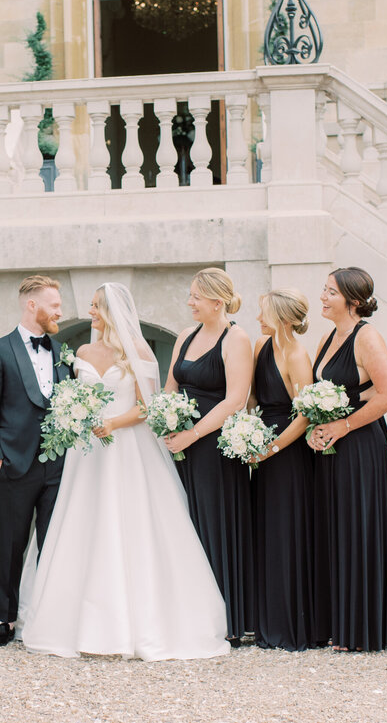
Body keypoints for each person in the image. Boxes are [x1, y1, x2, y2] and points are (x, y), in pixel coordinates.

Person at [21, 283, 231, 660]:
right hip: (88, 456)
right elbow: (76, 397)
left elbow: (148, 407)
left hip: (127, 448)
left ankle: (137, 626)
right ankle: (80, 624)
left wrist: (113, 424)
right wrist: (74, 418)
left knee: (132, 526)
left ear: (111, 311)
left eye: (95, 308)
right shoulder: (82, 351)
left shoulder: (137, 351)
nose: (92, 314)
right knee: (85, 525)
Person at [0, 275, 73, 647]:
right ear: (32, 305)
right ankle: (6, 619)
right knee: (11, 543)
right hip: (14, 465)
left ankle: (49, 616)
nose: (60, 311)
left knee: (54, 543)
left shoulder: (63, 350)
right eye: (54, 304)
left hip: (58, 465)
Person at [307, 267, 387, 652]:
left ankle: (362, 629)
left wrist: (343, 426)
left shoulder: (367, 337)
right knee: (335, 529)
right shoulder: (329, 336)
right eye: (324, 290)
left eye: (332, 292)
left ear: (354, 301)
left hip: (360, 447)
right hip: (331, 445)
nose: (324, 297)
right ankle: (338, 623)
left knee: (356, 530)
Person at [164, 267, 253, 643]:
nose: (190, 303)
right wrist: (165, 420)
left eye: (196, 297)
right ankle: (185, 614)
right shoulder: (186, 335)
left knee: (213, 526)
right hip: (177, 444)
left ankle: (223, 621)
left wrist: (193, 434)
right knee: (180, 524)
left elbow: (236, 399)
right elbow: (171, 386)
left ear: (218, 301)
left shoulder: (237, 339)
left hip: (213, 448)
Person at [248, 288, 318, 651]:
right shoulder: (261, 346)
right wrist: (246, 433)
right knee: (266, 533)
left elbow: (305, 415)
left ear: (284, 318)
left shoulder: (297, 354)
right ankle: (266, 623)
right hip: (261, 449)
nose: (259, 318)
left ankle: (290, 626)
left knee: (286, 533)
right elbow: (254, 399)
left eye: (265, 313)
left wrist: (270, 449)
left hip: (288, 455)